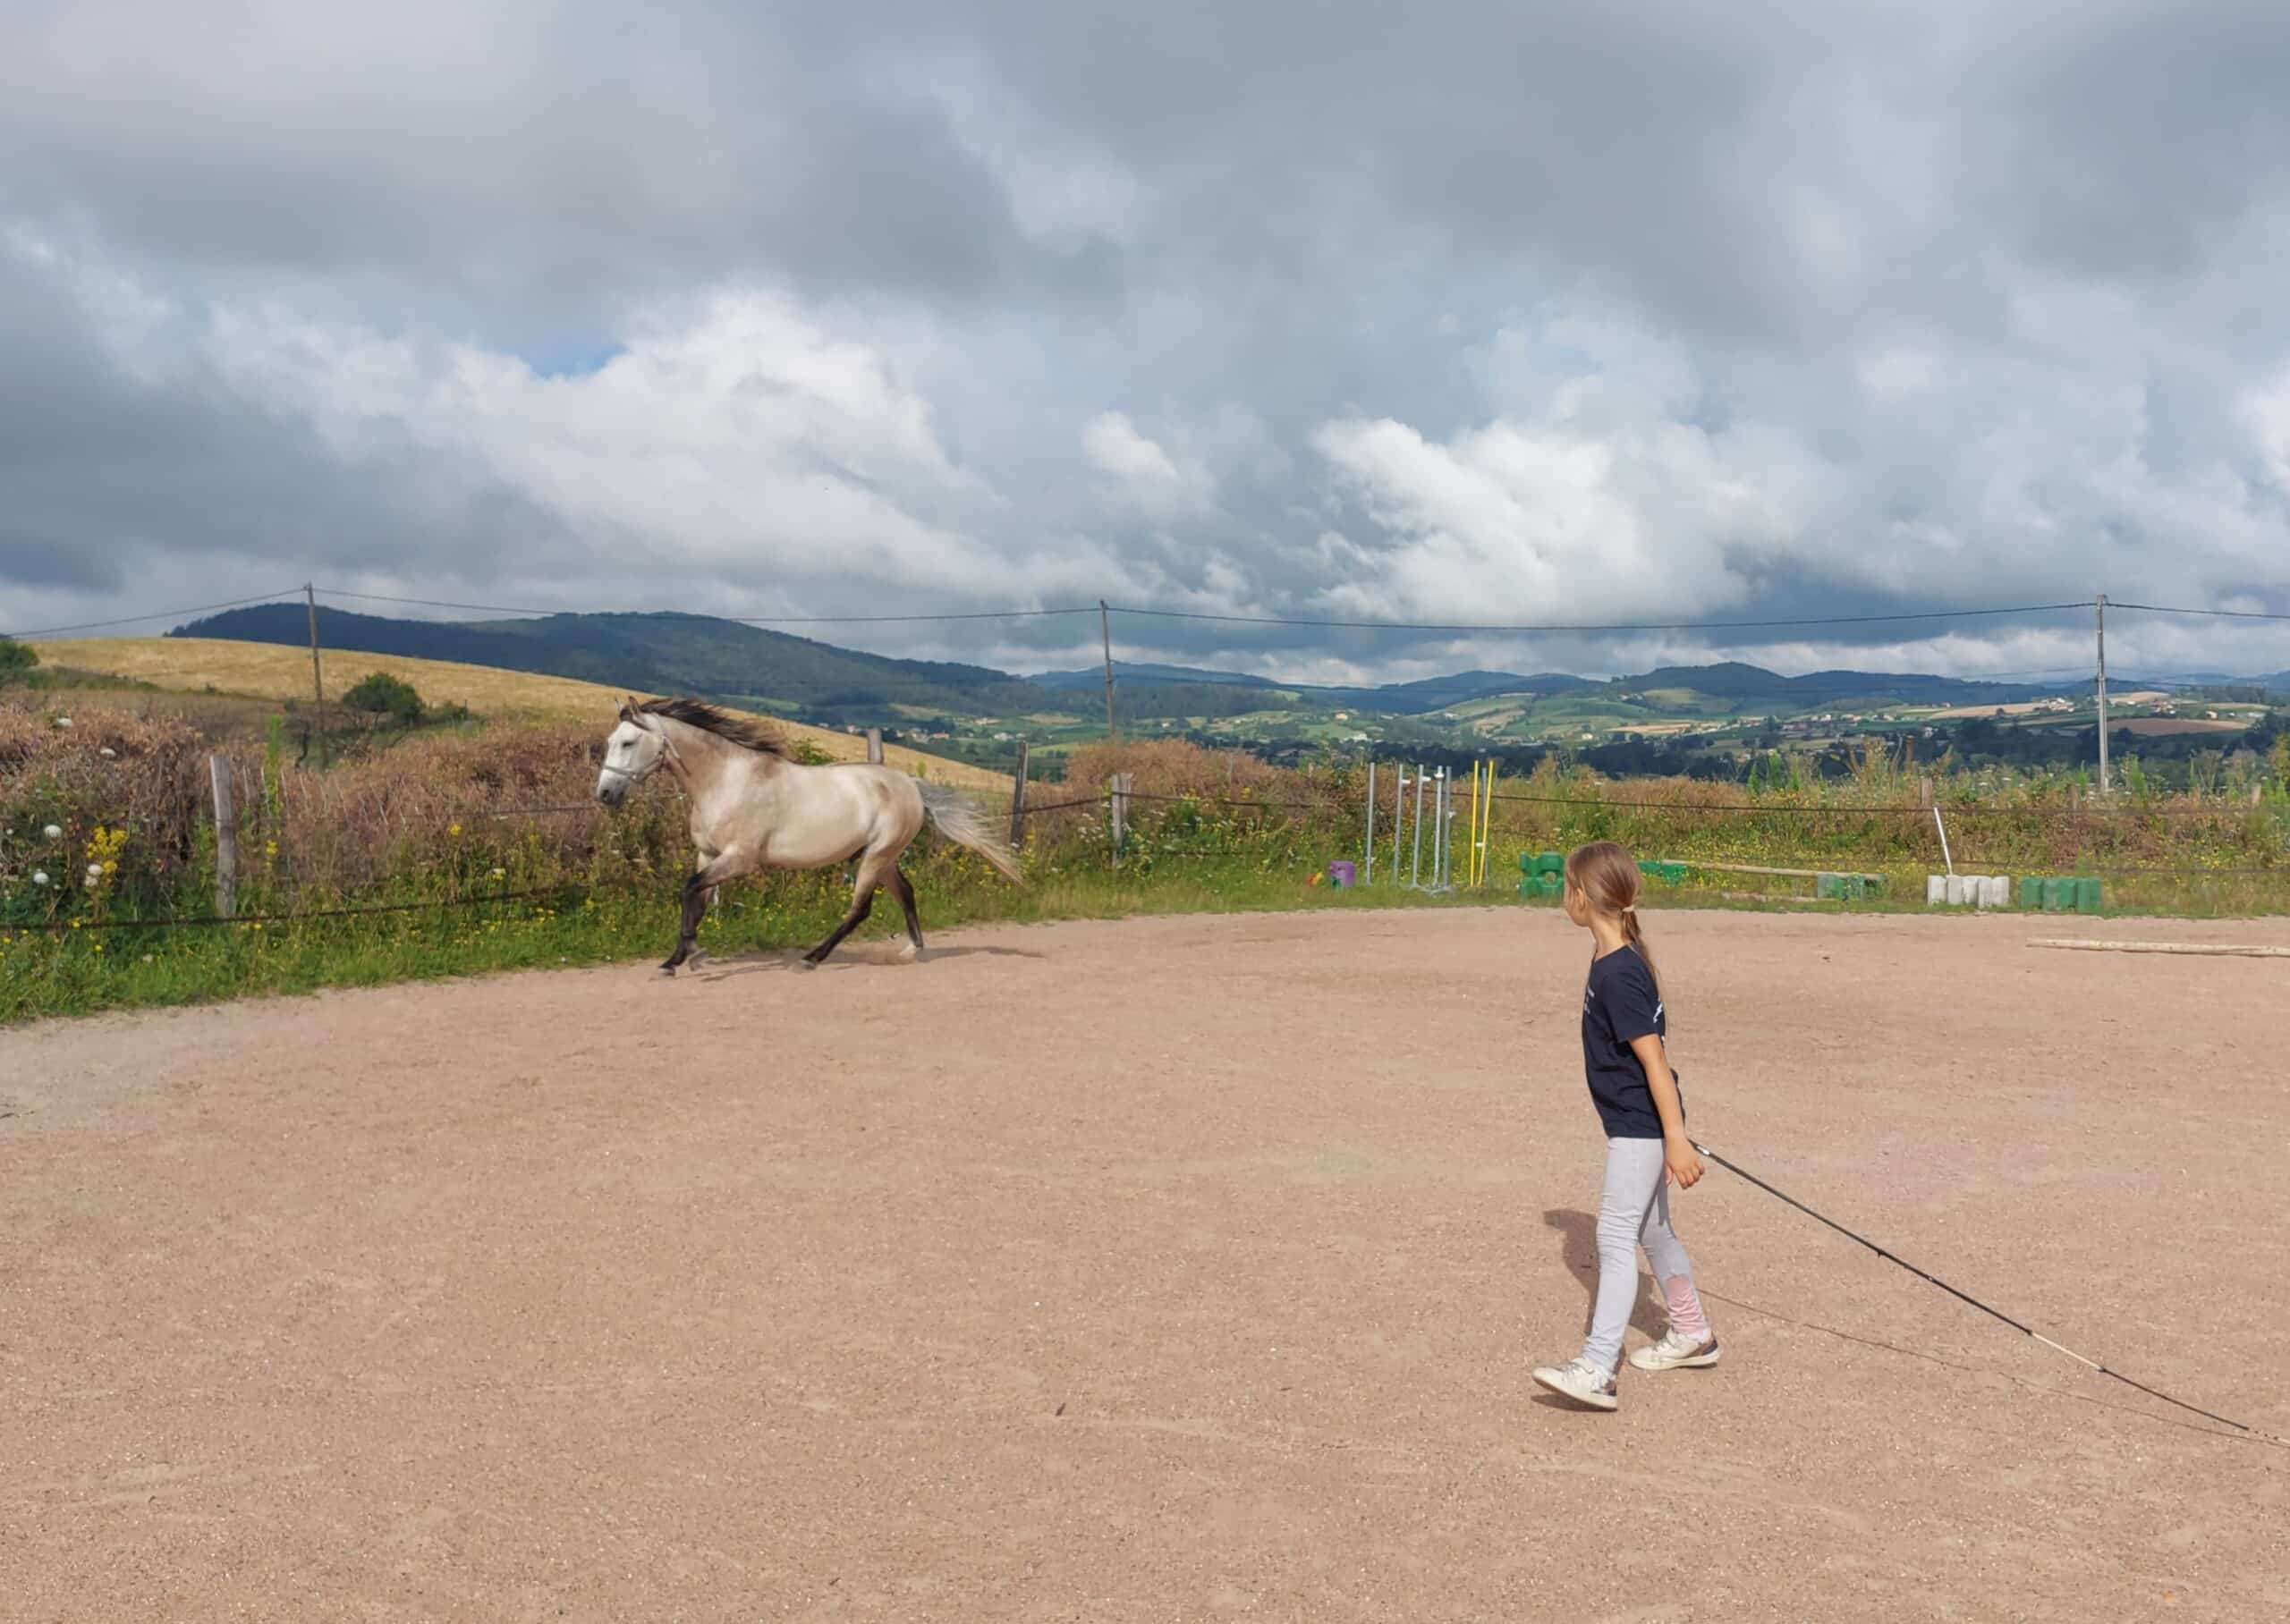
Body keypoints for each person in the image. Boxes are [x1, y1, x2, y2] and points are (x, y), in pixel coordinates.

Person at [1531, 840, 1719, 1411]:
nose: (1565, 896)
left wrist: (1676, 1138)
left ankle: (1597, 1368)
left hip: (1640, 1127)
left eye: (1568, 886)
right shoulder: (1617, 957)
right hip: (1641, 1124)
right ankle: (1692, 1333)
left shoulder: (1618, 973)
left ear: (1583, 896)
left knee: (1614, 1238)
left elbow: (1655, 1062)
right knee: (1653, 1232)